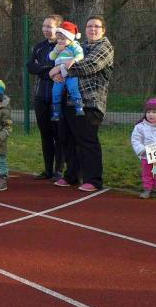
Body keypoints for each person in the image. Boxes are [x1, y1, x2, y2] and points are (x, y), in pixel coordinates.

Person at [51, 15, 114, 192]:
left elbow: (90, 65)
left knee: (87, 141)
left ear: (103, 30)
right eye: (89, 26)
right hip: (69, 100)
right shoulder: (79, 45)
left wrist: (59, 69)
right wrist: (55, 70)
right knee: (67, 138)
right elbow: (61, 57)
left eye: (96, 26)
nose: (92, 29)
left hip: (90, 102)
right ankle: (72, 175)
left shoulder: (105, 47)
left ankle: (93, 179)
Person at [26, 14, 64, 180]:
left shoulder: (63, 46)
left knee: (59, 133)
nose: (46, 29)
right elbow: (30, 66)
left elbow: (61, 68)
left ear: (58, 28)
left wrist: (45, 68)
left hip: (58, 97)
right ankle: (48, 170)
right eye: (44, 26)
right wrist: (48, 70)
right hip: (40, 96)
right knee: (45, 133)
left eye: (50, 26)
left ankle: (59, 170)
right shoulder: (39, 47)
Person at [49, 21, 84, 120]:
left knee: (73, 89)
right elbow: (51, 57)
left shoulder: (74, 46)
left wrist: (74, 60)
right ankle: (56, 113)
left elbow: (80, 55)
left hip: (70, 73)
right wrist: (56, 50)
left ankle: (79, 108)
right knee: (55, 92)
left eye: (63, 39)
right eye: (58, 39)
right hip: (59, 74)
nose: (60, 41)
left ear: (70, 38)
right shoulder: (57, 47)